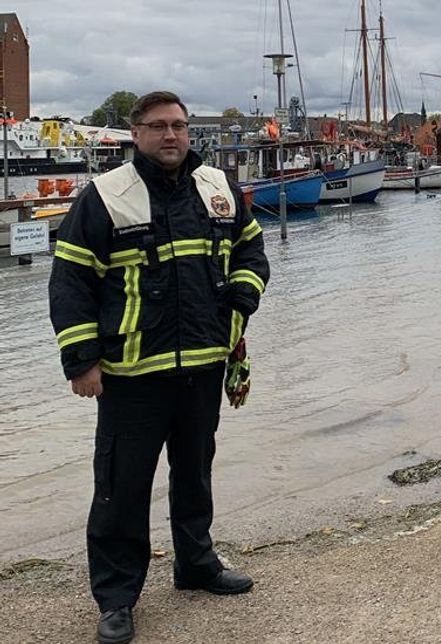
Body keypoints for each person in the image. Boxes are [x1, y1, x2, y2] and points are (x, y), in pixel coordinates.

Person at [49, 91, 270, 643]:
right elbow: (71, 281)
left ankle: (196, 565)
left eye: (179, 126)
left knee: (194, 474)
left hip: (203, 364)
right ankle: (118, 598)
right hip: (131, 373)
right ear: (136, 133)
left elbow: (251, 250)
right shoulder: (104, 196)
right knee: (122, 488)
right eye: (158, 127)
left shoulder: (217, 188)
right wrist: (81, 361)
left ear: (189, 131)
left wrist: (243, 298)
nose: (170, 136)